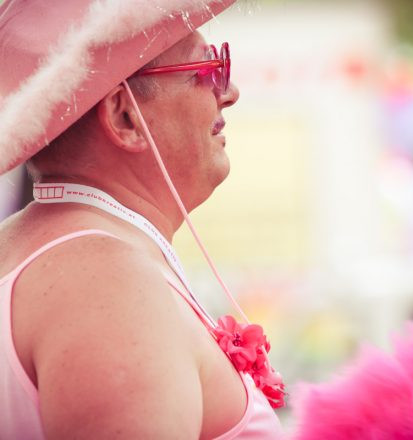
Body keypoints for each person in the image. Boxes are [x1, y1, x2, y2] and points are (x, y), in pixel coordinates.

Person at [0, 0, 284, 439]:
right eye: (208, 68)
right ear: (124, 116)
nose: (229, 92)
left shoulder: (64, 254)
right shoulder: (105, 282)